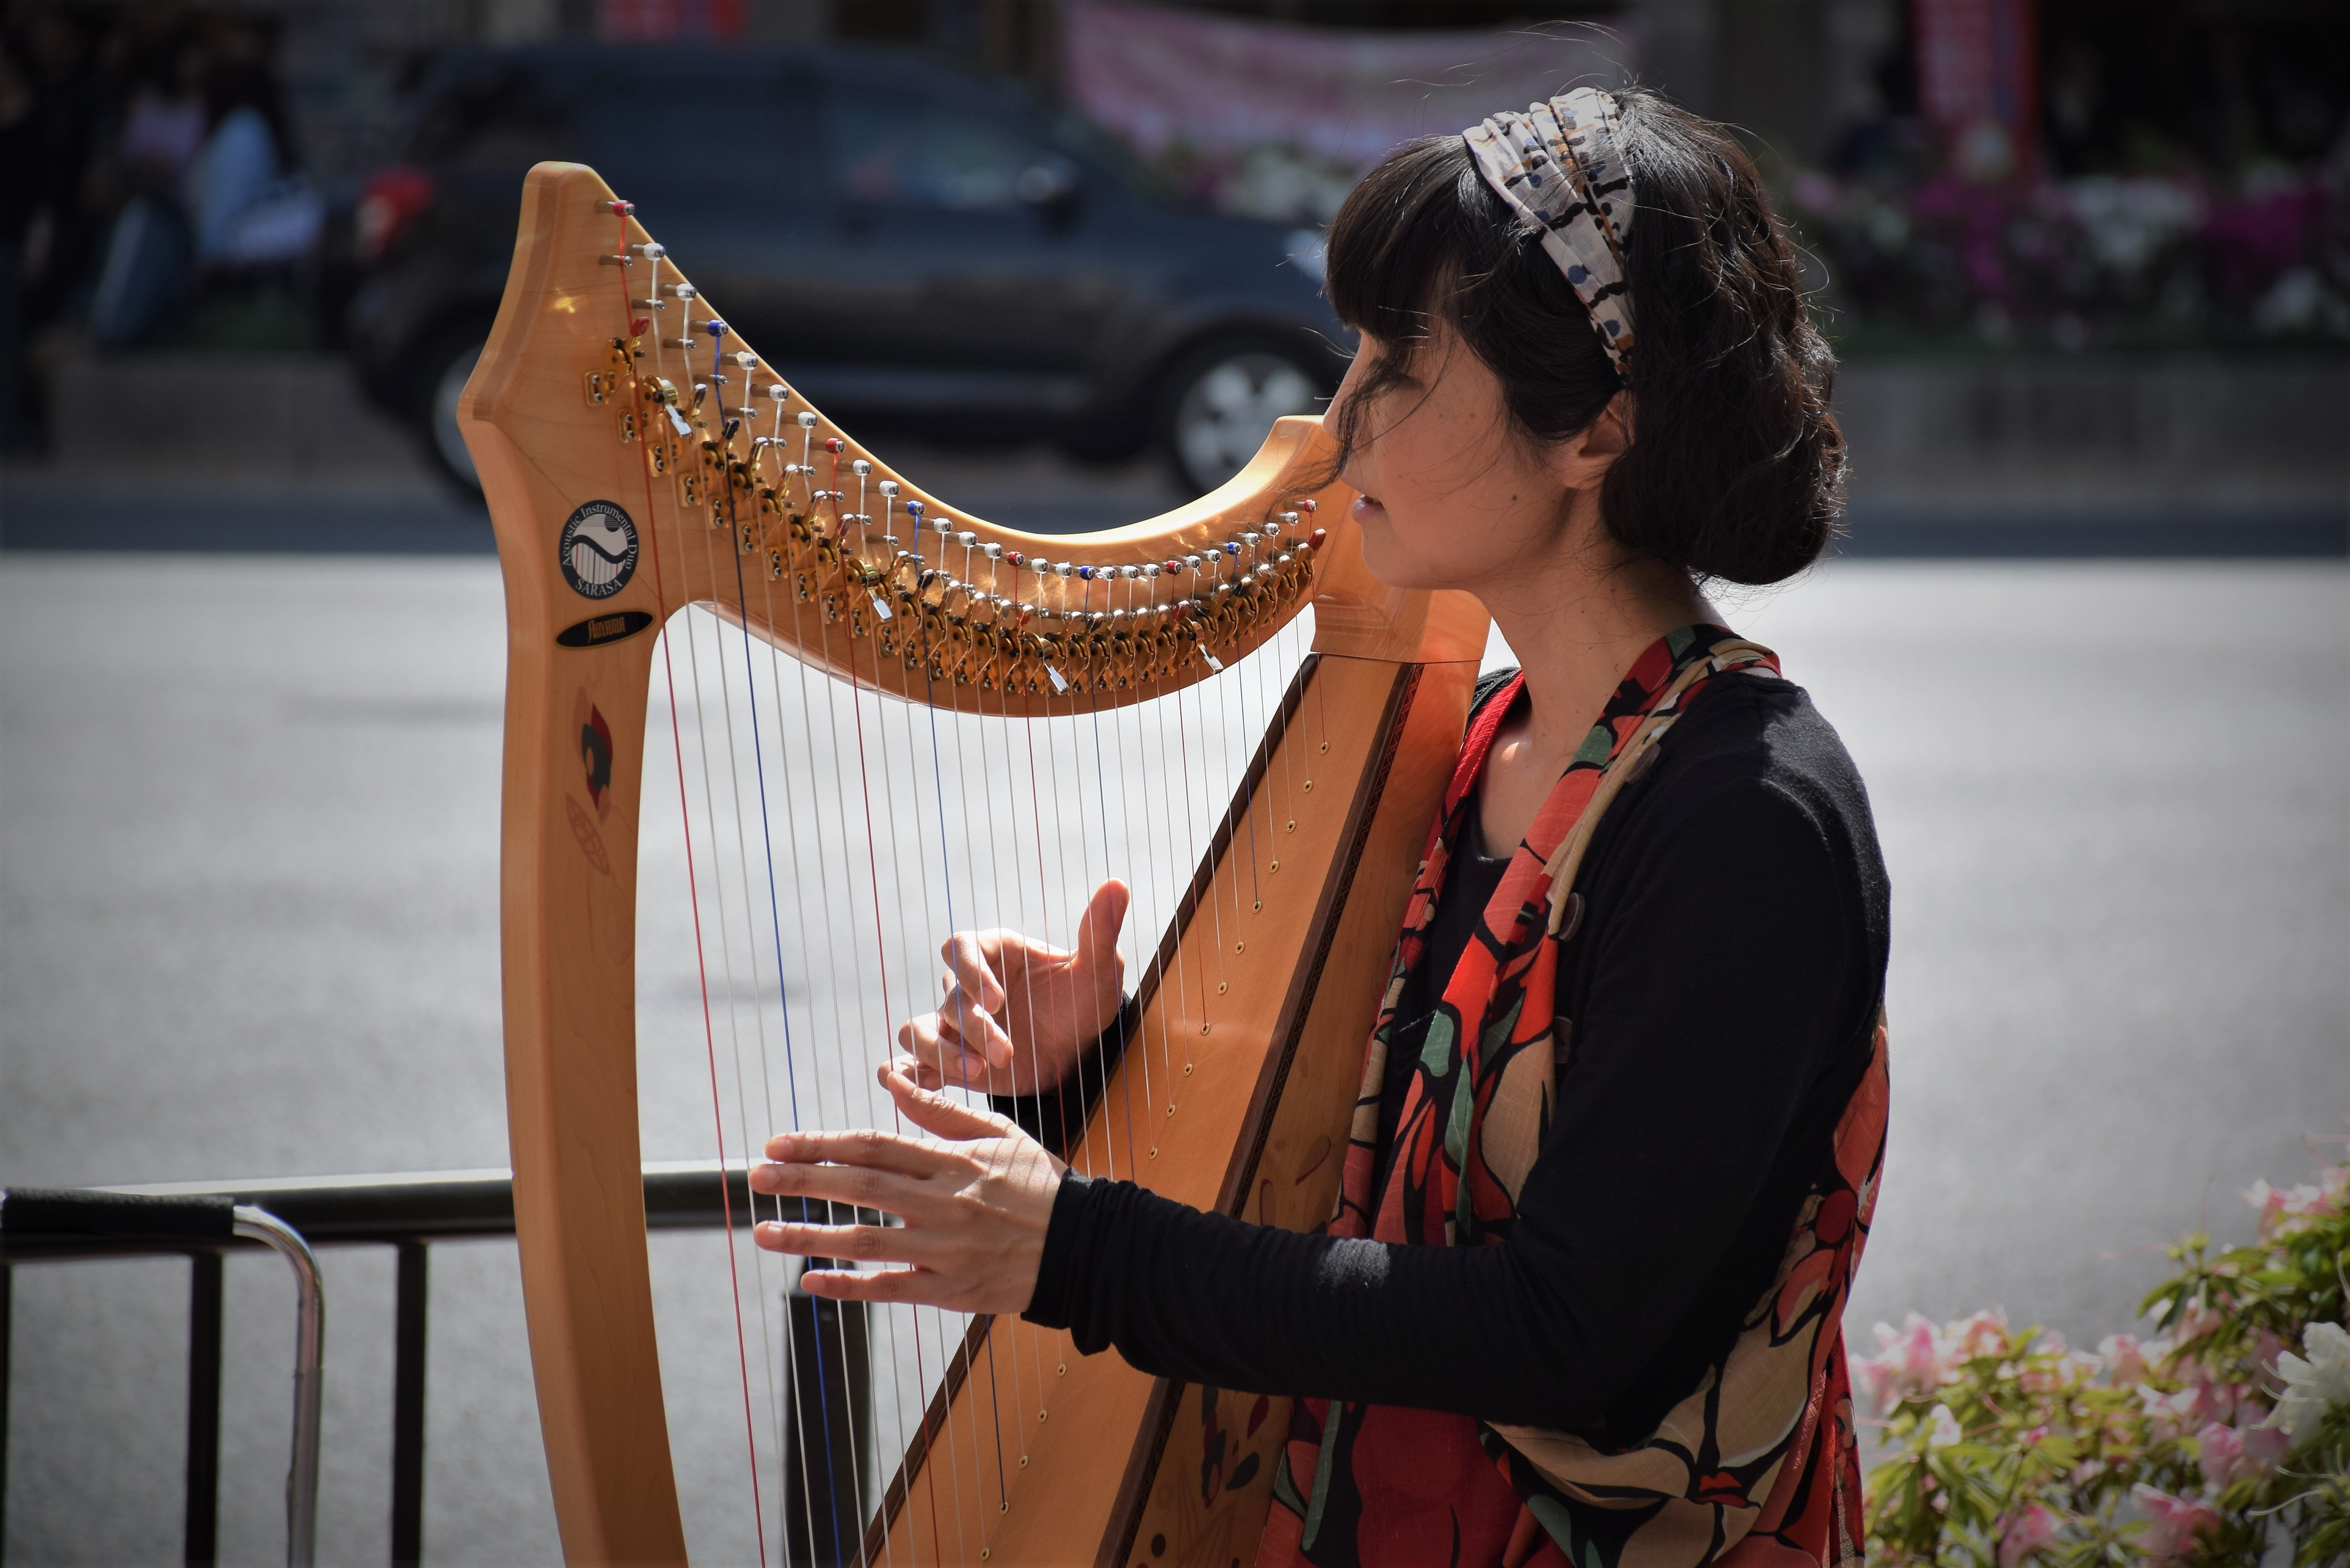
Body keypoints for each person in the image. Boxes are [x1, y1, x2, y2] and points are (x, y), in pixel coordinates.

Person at [750, 85, 1890, 1568]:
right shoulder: (1472, 735)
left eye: (1399, 364)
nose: (1337, 417)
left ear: (1595, 431)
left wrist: (1074, 1247)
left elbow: (1573, 1335)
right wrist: (1096, 1080)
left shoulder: (1747, 820)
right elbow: (1338, 1196)